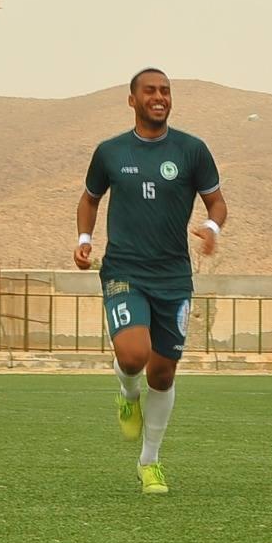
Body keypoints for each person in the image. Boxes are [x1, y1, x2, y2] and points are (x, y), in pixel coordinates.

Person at [75, 68, 227, 494]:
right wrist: (84, 239)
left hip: (174, 276)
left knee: (162, 374)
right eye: (150, 91)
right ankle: (126, 392)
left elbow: (216, 202)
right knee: (132, 355)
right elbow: (90, 199)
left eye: (165, 91)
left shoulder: (192, 150)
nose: (159, 97)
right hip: (124, 269)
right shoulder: (110, 152)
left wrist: (212, 229)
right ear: (133, 100)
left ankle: (150, 462)